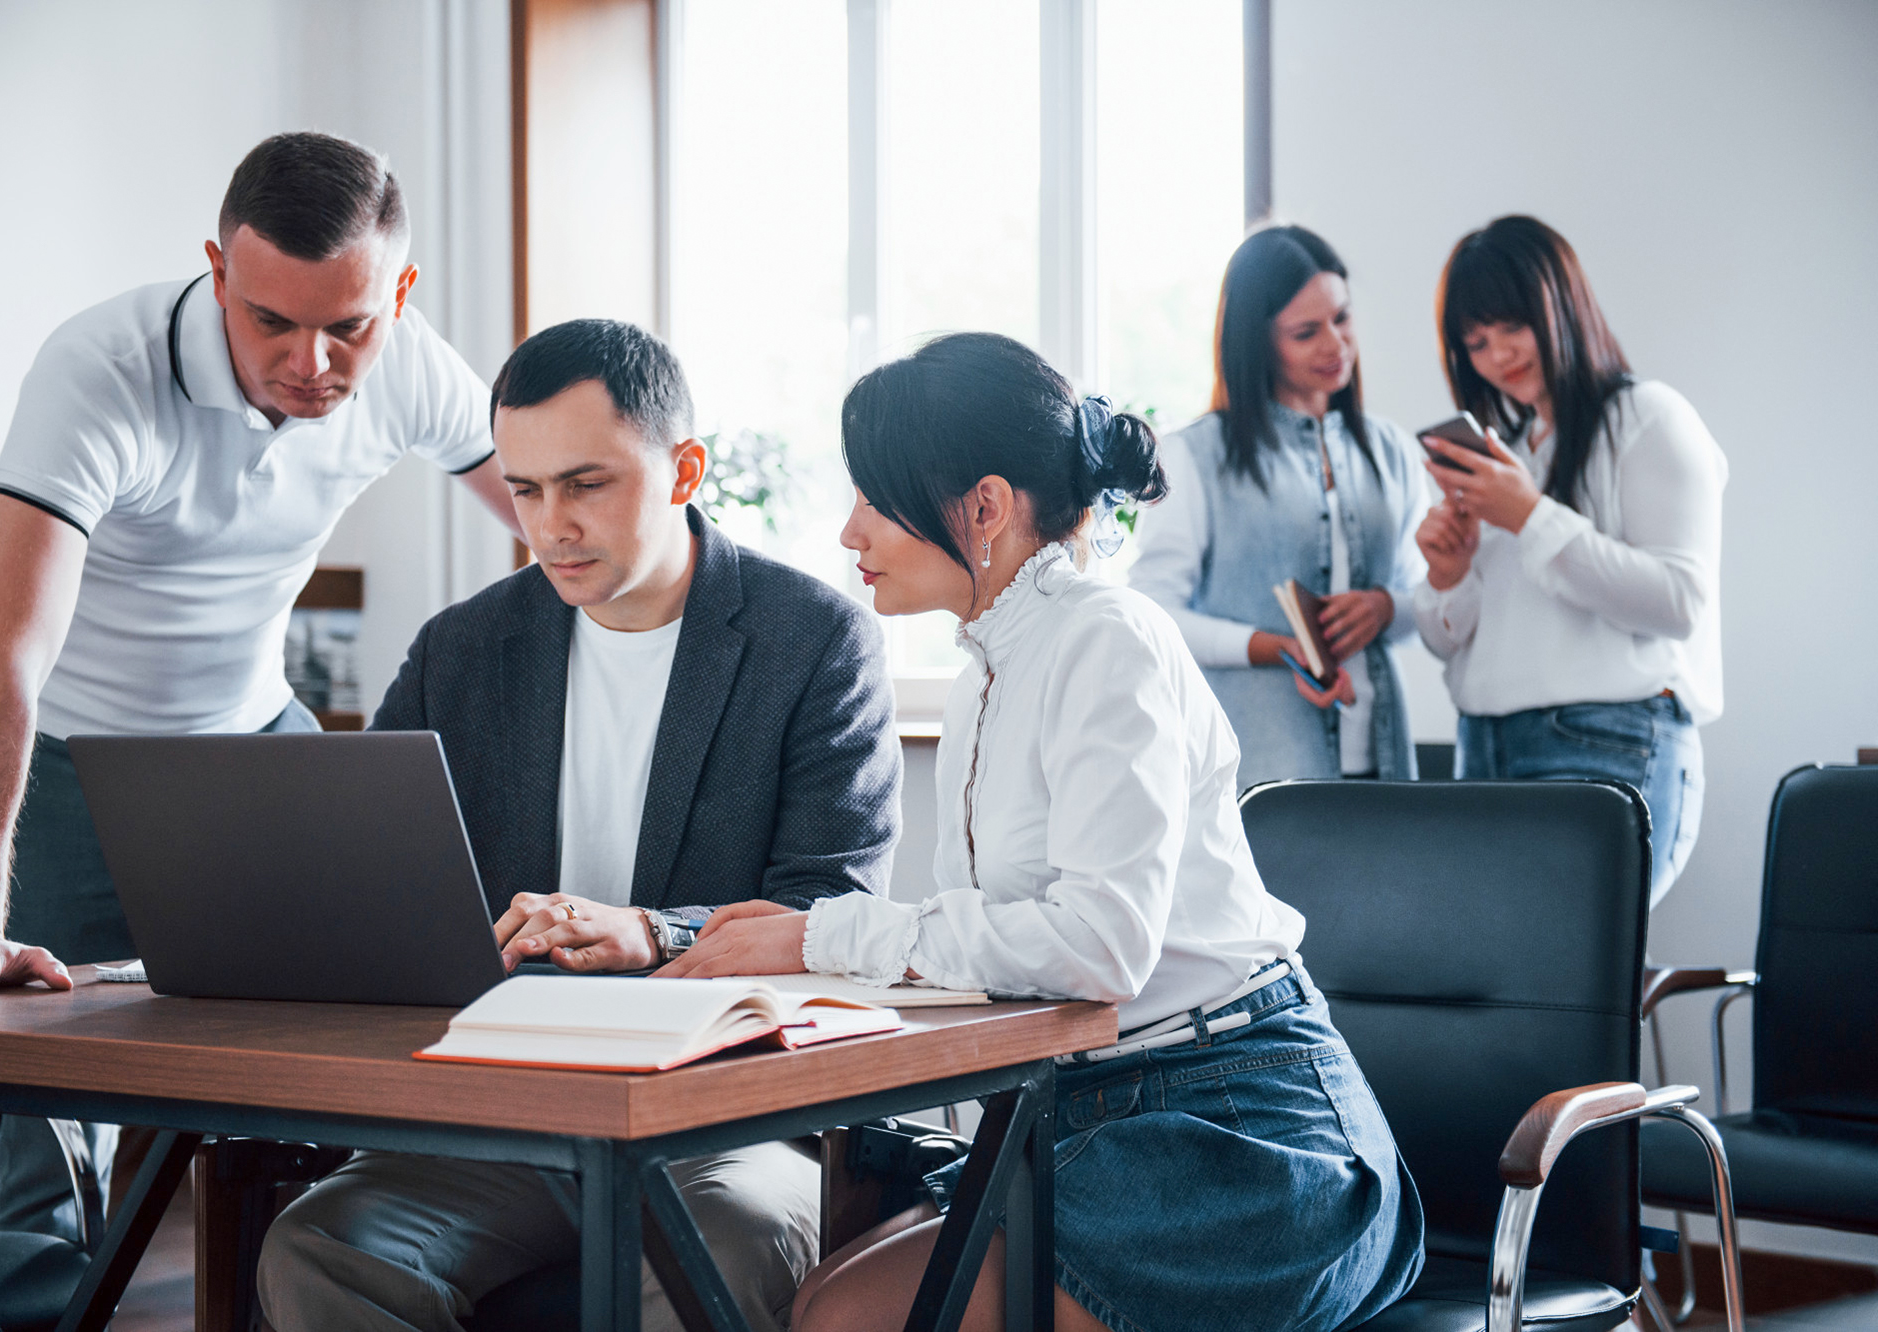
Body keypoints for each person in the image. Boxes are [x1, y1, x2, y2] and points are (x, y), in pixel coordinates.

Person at [658, 333, 1425, 1332]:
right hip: (1088, 1118)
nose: (849, 531)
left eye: (874, 499)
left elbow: (1097, 945)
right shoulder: (989, 662)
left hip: (1238, 1130)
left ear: (984, 507)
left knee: (845, 1319)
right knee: (826, 1297)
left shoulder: (1105, 639)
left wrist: (822, 935)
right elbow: (1001, 940)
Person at [0, 131, 525, 1241]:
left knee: (331, 1046)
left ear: (401, 295)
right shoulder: (100, 367)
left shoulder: (415, 365)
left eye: (348, 327)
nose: (312, 363)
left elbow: (562, 524)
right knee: (50, 1136)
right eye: (271, 319)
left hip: (257, 742)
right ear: (218, 271)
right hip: (76, 757)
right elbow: (3, 657)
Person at [255, 319, 902, 1332]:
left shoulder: (813, 640)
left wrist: (654, 930)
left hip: (723, 1119)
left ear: (684, 468)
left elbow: (833, 905)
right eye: (524, 489)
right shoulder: (461, 649)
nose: (548, 524)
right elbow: (362, 873)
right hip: (505, 1108)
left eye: (586, 484)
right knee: (322, 1245)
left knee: (734, 1241)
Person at [1414, 215, 1725, 908]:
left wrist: (1528, 515)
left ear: (1558, 302)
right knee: (1512, 987)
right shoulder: (1512, 454)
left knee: (1563, 982)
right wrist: (1448, 573)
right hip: (1484, 748)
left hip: (1601, 740)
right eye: (1476, 342)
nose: (1497, 354)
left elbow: (1678, 601)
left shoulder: (1646, 417)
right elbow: (1446, 641)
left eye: (1508, 325)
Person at [1132, 225, 1428, 787]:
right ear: (1257, 341)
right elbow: (1153, 613)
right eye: (1305, 332)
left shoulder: (1394, 451)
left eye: (1342, 318)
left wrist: (1388, 607)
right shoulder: (1195, 456)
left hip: (1384, 761)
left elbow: (1430, 607)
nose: (1335, 345)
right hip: (1259, 767)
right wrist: (1271, 648)